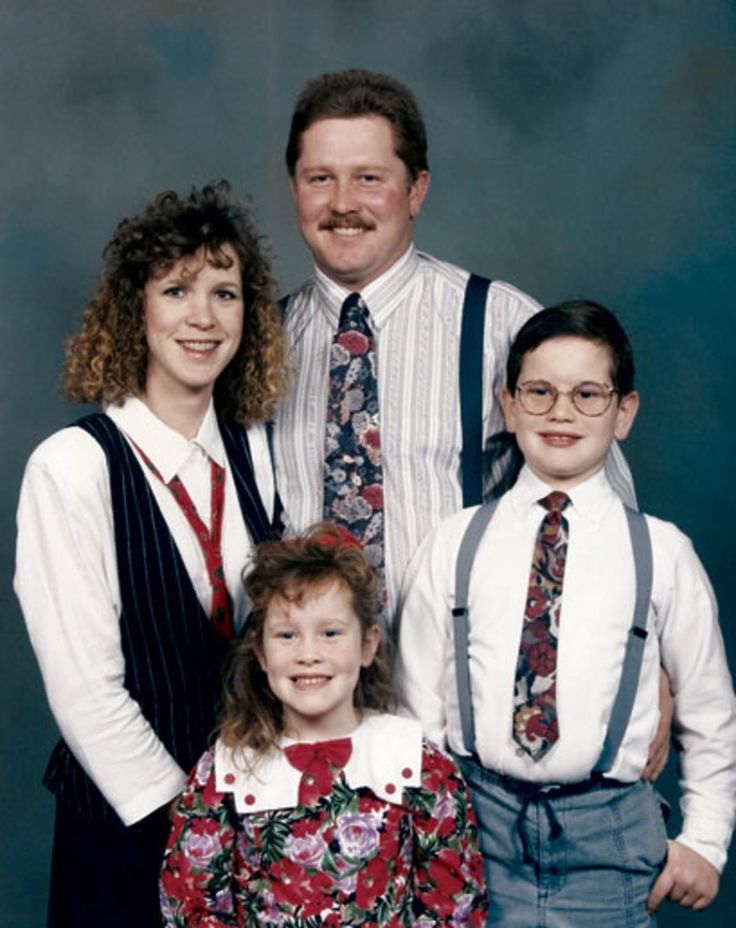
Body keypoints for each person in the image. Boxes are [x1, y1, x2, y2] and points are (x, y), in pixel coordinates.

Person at [396, 301, 736, 926]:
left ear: (623, 412)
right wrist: (426, 832)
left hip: (611, 847)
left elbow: (712, 714)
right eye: (540, 392)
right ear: (509, 403)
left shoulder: (663, 552)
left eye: (587, 394)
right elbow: (415, 712)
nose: (561, 412)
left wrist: (706, 840)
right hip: (476, 836)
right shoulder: (454, 541)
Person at [14, 182, 288, 927]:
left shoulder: (255, 449)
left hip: (250, 814)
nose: (203, 317)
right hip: (129, 826)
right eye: (177, 289)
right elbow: (87, 694)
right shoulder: (72, 466)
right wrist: (191, 828)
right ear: (136, 312)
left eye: (225, 293)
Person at [273, 68, 636, 628]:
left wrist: (640, 646)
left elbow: (603, 509)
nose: (343, 203)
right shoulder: (255, 345)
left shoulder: (502, 324)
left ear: (417, 190)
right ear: (294, 188)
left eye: (370, 178)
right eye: (320, 178)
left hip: (467, 679)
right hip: (308, 688)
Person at [160, 523, 488, 926]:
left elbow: (453, 907)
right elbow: (189, 907)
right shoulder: (222, 772)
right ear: (261, 653)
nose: (308, 654)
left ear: (368, 645)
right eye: (286, 635)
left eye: (330, 633)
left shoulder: (421, 766)